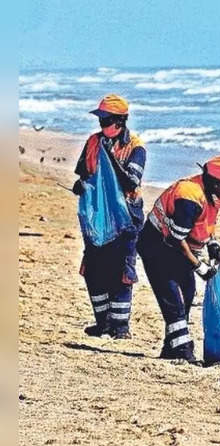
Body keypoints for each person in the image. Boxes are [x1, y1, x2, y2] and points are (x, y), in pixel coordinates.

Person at [137, 156, 220, 362]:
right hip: (157, 246)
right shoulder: (188, 198)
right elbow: (175, 239)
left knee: (187, 295)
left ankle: (170, 349)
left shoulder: (210, 194)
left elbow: (203, 225)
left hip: (177, 247)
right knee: (173, 300)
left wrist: (212, 244)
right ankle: (183, 352)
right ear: (216, 182)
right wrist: (199, 266)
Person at [72, 94, 146, 339]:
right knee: (93, 270)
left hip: (126, 219)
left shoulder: (136, 147)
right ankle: (102, 323)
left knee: (122, 271)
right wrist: (80, 186)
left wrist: (110, 158)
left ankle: (120, 327)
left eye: (107, 120)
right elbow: (83, 174)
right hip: (96, 219)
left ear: (121, 121)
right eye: (101, 120)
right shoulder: (93, 142)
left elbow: (132, 180)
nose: (102, 125)